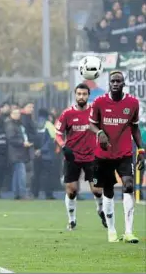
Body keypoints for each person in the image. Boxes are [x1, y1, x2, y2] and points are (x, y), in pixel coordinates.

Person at [89, 71, 145, 243]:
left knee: (128, 185)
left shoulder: (132, 103)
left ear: (123, 84)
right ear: (109, 83)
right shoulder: (99, 102)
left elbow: (134, 128)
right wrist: (99, 132)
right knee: (108, 190)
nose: (115, 83)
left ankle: (128, 231)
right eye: (112, 81)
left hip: (124, 153)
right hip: (104, 155)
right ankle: (112, 230)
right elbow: (91, 123)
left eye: (118, 81)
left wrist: (141, 150)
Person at [55, 83, 106, 230]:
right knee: (71, 190)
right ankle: (72, 220)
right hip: (72, 157)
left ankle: (100, 209)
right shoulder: (67, 113)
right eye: (79, 94)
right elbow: (58, 133)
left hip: (92, 157)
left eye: (84, 94)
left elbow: (104, 130)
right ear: (75, 95)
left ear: (88, 95)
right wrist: (64, 146)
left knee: (97, 189)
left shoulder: (95, 113)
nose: (81, 97)